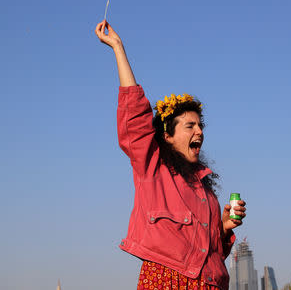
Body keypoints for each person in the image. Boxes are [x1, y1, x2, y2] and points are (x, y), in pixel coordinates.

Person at [95, 20, 246, 290]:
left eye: (200, 125)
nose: (199, 131)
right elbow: (135, 118)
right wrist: (118, 48)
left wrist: (223, 227)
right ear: (167, 135)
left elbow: (211, 255)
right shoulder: (153, 167)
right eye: (190, 126)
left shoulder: (206, 193)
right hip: (168, 282)